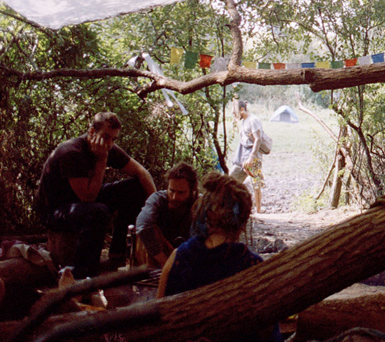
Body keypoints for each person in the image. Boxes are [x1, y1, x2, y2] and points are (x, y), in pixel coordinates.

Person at [157, 173, 279, 342]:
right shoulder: (252, 266)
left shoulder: (177, 257)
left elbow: (158, 322)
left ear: (204, 213)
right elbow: (268, 335)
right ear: (242, 222)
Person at [36, 111, 156, 278]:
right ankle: (84, 273)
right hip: (56, 210)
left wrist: (155, 208)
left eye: (114, 139)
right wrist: (101, 161)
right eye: (106, 137)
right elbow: (88, 197)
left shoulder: (107, 147)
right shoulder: (72, 152)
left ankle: (117, 254)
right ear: (92, 132)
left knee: (136, 187)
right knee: (97, 211)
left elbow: (141, 172)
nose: (109, 144)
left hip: (82, 201)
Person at [134, 162, 198, 268]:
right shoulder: (157, 200)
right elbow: (142, 226)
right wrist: (167, 264)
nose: (174, 197)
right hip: (160, 258)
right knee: (144, 234)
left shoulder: (199, 204)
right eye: (171, 191)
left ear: (192, 191)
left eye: (181, 193)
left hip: (188, 258)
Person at [230, 100, 264, 214]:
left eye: (235, 111)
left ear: (242, 110)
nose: (233, 113)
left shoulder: (253, 120)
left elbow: (258, 139)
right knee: (232, 180)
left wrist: (251, 157)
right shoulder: (244, 121)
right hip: (243, 158)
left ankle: (259, 211)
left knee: (256, 182)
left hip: (253, 157)